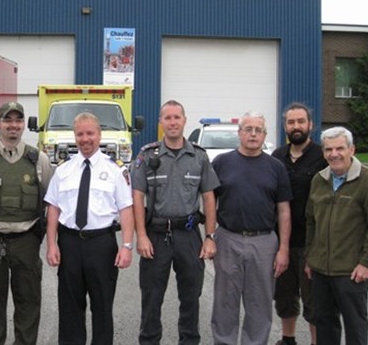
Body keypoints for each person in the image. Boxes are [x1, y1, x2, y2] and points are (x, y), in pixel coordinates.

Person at [131, 100, 220, 345]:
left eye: (176, 117)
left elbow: (209, 197)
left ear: (184, 120)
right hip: (156, 235)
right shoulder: (148, 155)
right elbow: (137, 196)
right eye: (167, 118)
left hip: (189, 236)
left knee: (191, 298)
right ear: (160, 123)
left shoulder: (198, 157)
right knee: (151, 298)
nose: (172, 122)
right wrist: (142, 235)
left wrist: (210, 237)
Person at [0, 102, 53, 345]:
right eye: (8, 120)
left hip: (27, 240)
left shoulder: (39, 160)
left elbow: (47, 197)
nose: (13, 125)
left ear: (23, 124)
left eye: (18, 120)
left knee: (28, 303)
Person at [44, 112, 135, 345]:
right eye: (80, 134)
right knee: (70, 308)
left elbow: (126, 209)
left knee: (102, 306)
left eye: (90, 133)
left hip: (101, 244)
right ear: (75, 136)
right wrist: (52, 244)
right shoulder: (63, 170)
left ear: (99, 134)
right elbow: (53, 208)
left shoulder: (116, 170)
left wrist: (126, 246)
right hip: (70, 243)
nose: (85, 139)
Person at [211, 111, 292, 345]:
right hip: (228, 238)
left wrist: (283, 248)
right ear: (239, 133)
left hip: (264, 242)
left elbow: (284, 210)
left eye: (258, 130)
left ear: (265, 135)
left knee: (260, 302)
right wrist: (210, 236)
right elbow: (210, 201)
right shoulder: (222, 163)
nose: (253, 134)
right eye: (248, 129)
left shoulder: (276, 167)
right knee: (225, 300)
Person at [304, 127, 368, 345]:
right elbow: (311, 222)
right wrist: (310, 257)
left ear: (351, 149)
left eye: (340, 148)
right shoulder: (319, 180)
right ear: (323, 152)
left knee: (355, 326)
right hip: (321, 270)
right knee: (325, 324)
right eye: (329, 149)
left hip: (352, 271)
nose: (334, 154)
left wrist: (367, 263)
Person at [271, 103, 327, 345]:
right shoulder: (277, 157)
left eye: (300, 122)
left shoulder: (323, 157)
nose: (296, 126)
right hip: (281, 241)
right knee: (284, 296)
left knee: (314, 300)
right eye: (291, 122)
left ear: (310, 125)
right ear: (285, 126)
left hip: (311, 242)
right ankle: (288, 339)